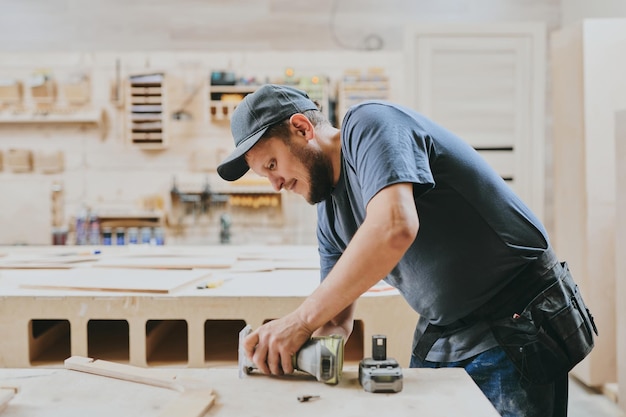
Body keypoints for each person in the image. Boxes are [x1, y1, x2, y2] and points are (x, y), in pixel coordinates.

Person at [217, 84, 596, 417]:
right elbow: (335, 320)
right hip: (445, 333)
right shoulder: (329, 215)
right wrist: (297, 350)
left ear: (302, 128)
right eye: (264, 175)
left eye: (272, 164)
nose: (275, 184)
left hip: (515, 323)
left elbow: (394, 227)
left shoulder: (369, 125)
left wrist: (297, 323)